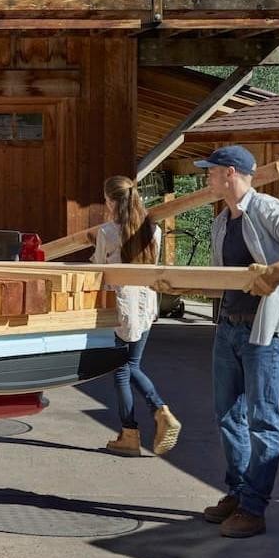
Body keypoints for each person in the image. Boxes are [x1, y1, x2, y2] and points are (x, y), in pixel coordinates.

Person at [196, 145, 279, 539]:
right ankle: (238, 493)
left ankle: (254, 508)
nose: (207, 177)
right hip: (229, 328)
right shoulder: (222, 221)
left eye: (211, 171)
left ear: (231, 173)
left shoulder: (267, 209)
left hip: (262, 333)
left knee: (262, 420)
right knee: (227, 415)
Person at [92, 176, 180, 457]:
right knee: (133, 364)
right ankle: (157, 414)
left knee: (122, 369)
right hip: (145, 304)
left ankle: (137, 427)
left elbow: (99, 268)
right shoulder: (152, 229)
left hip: (120, 307)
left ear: (110, 201)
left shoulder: (108, 232)